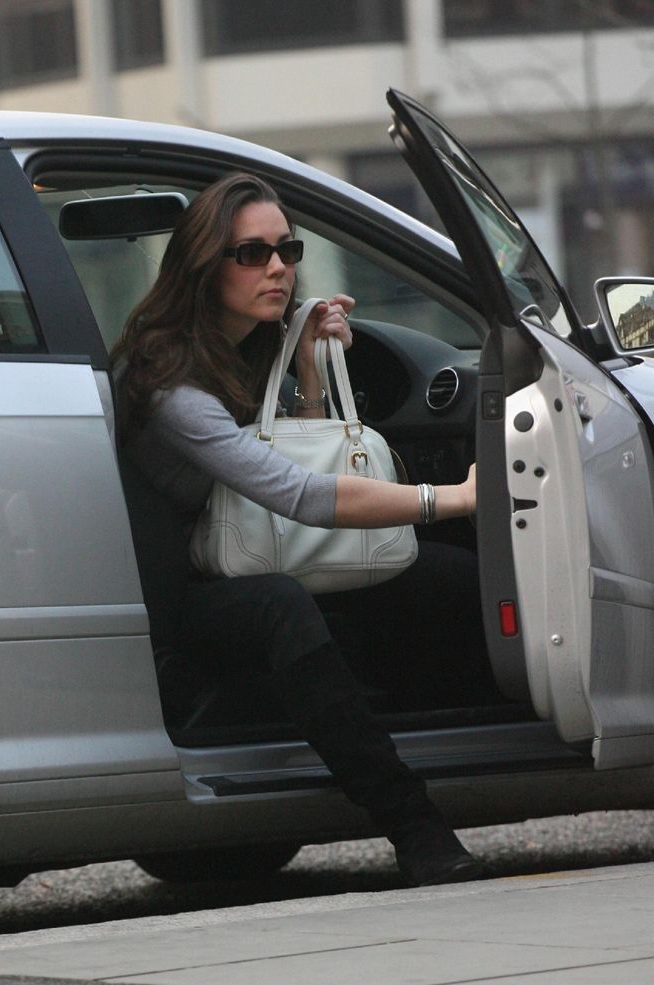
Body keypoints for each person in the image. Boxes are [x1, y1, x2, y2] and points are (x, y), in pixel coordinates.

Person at [112, 172, 483, 887]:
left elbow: (302, 455)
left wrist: (311, 370)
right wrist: (448, 498)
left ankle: (507, 752)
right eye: (251, 253)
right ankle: (413, 822)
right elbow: (300, 495)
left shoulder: (251, 345)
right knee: (282, 604)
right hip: (182, 596)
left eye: (287, 249)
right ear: (203, 266)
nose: (278, 266)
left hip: (247, 556)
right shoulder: (168, 382)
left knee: (444, 578)